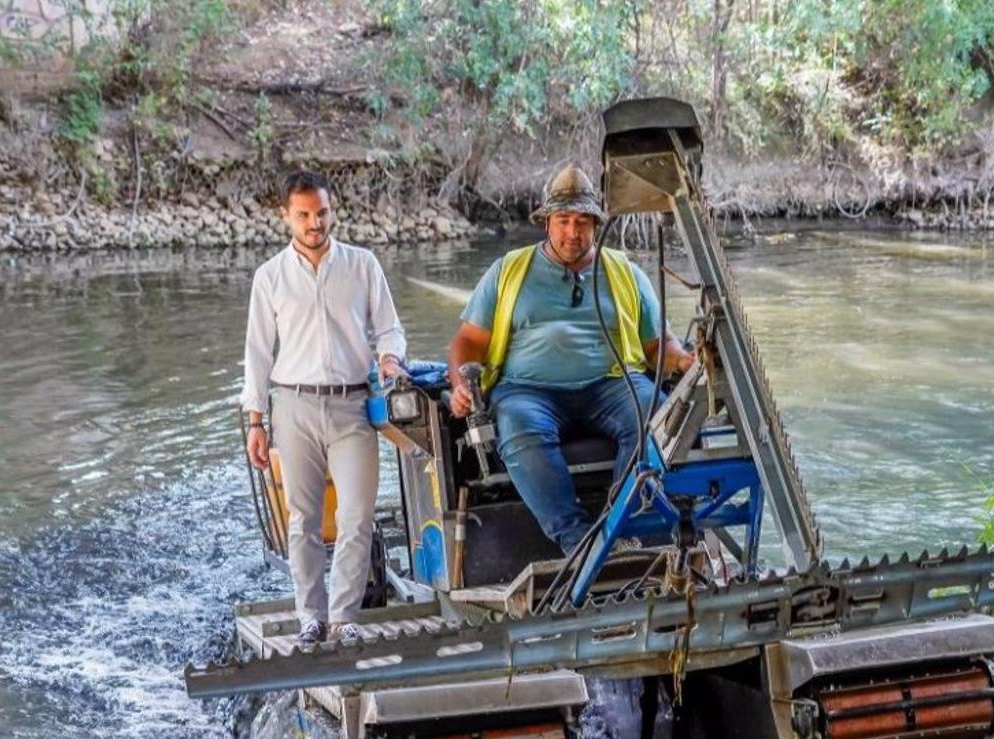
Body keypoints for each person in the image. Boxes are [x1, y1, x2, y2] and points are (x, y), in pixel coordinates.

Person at [446, 165, 694, 554]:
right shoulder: (509, 270)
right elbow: (468, 340)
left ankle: (622, 524)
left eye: (582, 222)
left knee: (656, 414)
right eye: (563, 220)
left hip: (611, 383)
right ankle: (579, 543)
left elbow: (658, 343)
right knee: (519, 423)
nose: (572, 232)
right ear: (547, 222)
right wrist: (461, 386)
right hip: (528, 390)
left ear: (596, 224)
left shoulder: (625, 273)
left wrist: (684, 363)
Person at [241, 170, 407, 645]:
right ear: (286, 217)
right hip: (291, 406)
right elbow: (257, 352)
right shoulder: (269, 277)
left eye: (322, 213)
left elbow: (390, 328)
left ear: (332, 210)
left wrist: (390, 358)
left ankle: (344, 617)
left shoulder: (363, 265)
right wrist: (256, 420)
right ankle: (310, 617)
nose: (315, 223)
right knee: (304, 520)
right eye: (304, 215)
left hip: (353, 405)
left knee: (357, 514)